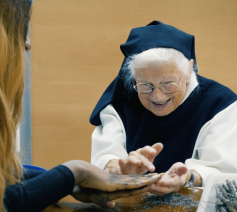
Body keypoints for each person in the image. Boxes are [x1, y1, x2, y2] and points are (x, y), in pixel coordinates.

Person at [0, 1, 162, 211]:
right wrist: (76, 173)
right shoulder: (115, 108)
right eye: (22, 26)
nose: (28, 43)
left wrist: (65, 181)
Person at [90, 21, 237, 195]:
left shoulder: (220, 104)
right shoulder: (120, 103)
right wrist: (120, 170)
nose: (157, 97)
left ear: (189, 70)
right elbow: (104, 156)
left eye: (168, 84)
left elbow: (222, 170)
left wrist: (187, 177)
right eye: (146, 85)